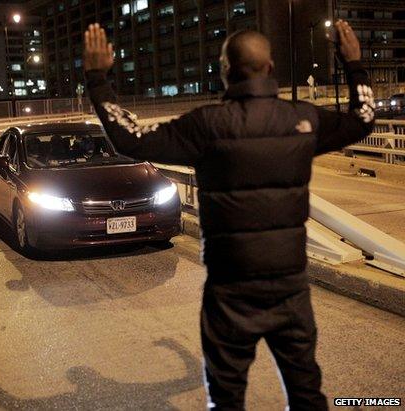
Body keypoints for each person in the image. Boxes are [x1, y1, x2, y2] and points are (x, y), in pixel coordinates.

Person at [84, 21, 374, 410]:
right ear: (270, 69)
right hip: (290, 288)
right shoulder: (304, 120)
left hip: (230, 292)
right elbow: (364, 118)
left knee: (227, 397)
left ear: (224, 72)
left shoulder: (205, 126)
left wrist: (98, 78)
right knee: (306, 394)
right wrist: (354, 63)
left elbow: (129, 137)